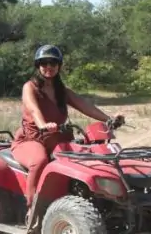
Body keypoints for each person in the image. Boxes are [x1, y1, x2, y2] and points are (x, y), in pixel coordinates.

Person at [10, 44, 124, 220]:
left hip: (58, 139)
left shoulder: (61, 91)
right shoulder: (30, 87)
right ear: (38, 65)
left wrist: (108, 119)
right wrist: (43, 124)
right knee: (39, 161)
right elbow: (33, 109)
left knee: (86, 159)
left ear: (59, 66)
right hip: (32, 140)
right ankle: (32, 208)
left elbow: (84, 105)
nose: (49, 67)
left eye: (53, 63)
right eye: (44, 63)